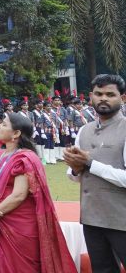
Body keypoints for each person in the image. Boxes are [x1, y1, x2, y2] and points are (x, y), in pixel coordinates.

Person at [0, 112, 77, 272]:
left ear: (16, 133)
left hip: (19, 226)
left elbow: (18, 195)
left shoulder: (24, 158)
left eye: (4, 124)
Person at [64, 73, 126, 271]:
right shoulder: (84, 130)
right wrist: (75, 167)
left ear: (122, 98)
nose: (103, 98)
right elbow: (75, 176)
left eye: (110, 94)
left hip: (122, 218)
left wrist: (90, 163)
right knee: (102, 269)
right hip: (91, 217)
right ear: (91, 96)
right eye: (98, 94)